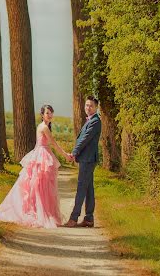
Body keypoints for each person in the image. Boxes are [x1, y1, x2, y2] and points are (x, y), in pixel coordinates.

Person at [0, 104, 71, 228]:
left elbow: (47, 143)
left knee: (42, 186)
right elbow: (53, 143)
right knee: (39, 185)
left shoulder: (46, 126)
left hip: (42, 153)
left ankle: (43, 211)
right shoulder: (44, 127)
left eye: (51, 113)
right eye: (47, 113)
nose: (49, 115)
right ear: (42, 115)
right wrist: (65, 155)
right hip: (42, 155)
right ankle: (40, 213)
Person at [63, 95, 102, 228]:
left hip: (88, 159)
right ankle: (89, 219)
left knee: (81, 188)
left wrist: (74, 153)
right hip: (88, 159)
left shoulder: (95, 121)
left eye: (91, 105)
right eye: (86, 105)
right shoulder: (90, 120)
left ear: (96, 107)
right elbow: (82, 139)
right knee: (88, 188)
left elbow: (84, 139)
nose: (88, 108)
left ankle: (73, 219)